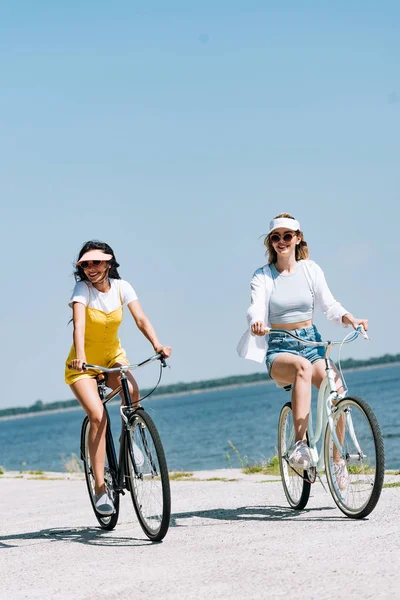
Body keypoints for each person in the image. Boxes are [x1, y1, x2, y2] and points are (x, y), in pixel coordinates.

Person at [237, 213, 368, 486]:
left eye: (287, 235)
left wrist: (351, 319)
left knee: (337, 392)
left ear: (298, 238)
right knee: (302, 368)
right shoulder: (263, 276)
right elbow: (256, 305)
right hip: (280, 348)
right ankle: (300, 446)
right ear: (271, 242)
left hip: (311, 343)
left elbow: (329, 305)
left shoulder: (311, 270)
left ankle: (337, 460)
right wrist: (256, 322)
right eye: (276, 237)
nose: (282, 241)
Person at [65, 240, 171, 515]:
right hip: (83, 364)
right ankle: (101, 487)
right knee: (98, 416)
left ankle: (131, 441)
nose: (91, 268)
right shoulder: (82, 290)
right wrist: (80, 355)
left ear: (109, 263)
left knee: (132, 392)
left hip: (113, 358)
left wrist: (157, 345)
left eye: (96, 262)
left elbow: (141, 319)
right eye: (86, 264)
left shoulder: (123, 287)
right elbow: (79, 326)